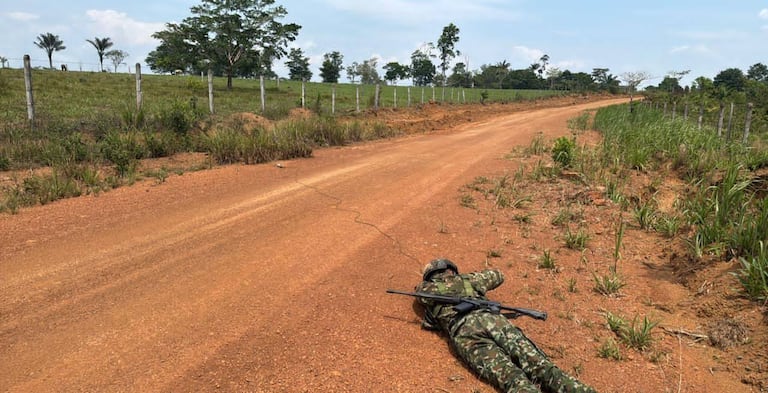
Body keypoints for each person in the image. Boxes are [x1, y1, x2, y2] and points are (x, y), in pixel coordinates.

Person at [414, 258, 597, 393]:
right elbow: (497, 275)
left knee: (512, 379)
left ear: (429, 276)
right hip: (494, 321)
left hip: (465, 331)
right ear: (452, 270)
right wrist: (468, 281)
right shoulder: (470, 280)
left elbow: (420, 295)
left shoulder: (426, 290)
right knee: (542, 367)